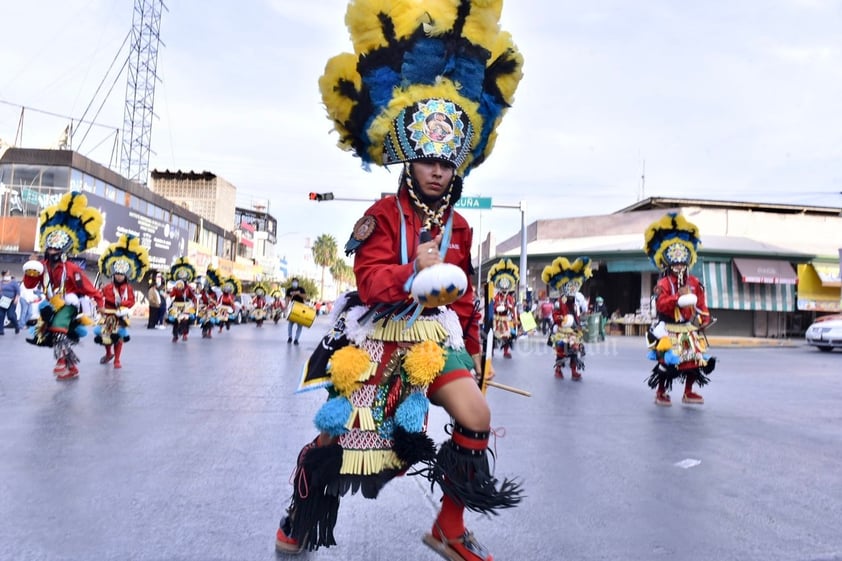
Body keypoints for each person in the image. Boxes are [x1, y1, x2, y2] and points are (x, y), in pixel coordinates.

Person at [273, 3, 524, 560]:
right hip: (375, 340)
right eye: (428, 159)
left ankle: (449, 528)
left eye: (447, 161)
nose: (438, 170)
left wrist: (475, 354)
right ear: (408, 157)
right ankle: (301, 509)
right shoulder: (381, 215)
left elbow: (463, 303)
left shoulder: (459, 225)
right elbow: (368, 280)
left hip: (435, 344)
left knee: (476, 415)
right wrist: (414, 272)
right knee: (338, 444)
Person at [23, 191, 104, 379]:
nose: (51, 251)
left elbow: (88, 288)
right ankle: (72, 367)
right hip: (50, 304)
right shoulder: (41, 266)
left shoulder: (72, 269)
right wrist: (30, 272)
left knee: (59, 328)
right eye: (49, 248)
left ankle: (61, 363)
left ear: (63, 250)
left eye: (55, 248)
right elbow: (29, 285)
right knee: (48, 335)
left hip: (69, 305)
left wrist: (100, 305)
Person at [644, 212, 716, 406]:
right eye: (675, 261)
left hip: (688, 327)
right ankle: (661, 392)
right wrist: (678, 299)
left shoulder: (695, 282)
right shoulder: (663, 283)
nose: (679, 265)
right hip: (668, 328)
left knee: (694, 360)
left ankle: (688, 391)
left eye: (682, 261)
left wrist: (703, 318)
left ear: (688, 259)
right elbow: (661, 304)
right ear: (667, 261)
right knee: (668, 361)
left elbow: (701, 305)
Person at [94, 234, 149, 369]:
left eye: (121, 274)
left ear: (126, 275)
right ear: (113, 274)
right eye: (117, 274)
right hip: (107, 315)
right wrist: (100, 307)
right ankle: (108, 354)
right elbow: (100, 297)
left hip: (121, 315)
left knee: (119, 337)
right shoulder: (107, 287)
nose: (119, 276)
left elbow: (131, 300)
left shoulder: (128, 288)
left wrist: (124, 308)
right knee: (105, 336)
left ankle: (117, 360)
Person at [542, 257, 593, 381]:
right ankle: (558, 369)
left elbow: (576, 316)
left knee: (575, 350)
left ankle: (574, 371)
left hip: (573, 330)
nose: (571, 292)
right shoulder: (559, 302)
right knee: (561, 351)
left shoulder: (575, 303)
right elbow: (555, 315)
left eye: (573, 289)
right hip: (562, 329)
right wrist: (563, 320)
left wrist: (579, 324)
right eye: (570, 289)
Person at [487, 258, 520, 359]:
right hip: (496, 318)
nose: (505, 287)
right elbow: (492, 306)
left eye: (506, 285)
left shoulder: (510, 298)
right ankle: (491, 350)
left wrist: (515, 318)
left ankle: (506, 351)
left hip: (505, 319)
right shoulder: (496, 296)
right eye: (503, 285)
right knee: (493, 335)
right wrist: (497, 307)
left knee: (507, 336)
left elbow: (513, 309)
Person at [166, 257, 197, 343]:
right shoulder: (176, 288)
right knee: (176, 319)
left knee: (185, 320)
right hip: (177, 304)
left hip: (186, 305)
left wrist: (194, 302)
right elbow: (172, 295)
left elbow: (193, 296)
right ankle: (175, 335)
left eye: (184, 278)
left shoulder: (189, 288)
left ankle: (184, 334)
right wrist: (169, 294)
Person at [285, 278, 306, 344]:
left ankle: (296, 339)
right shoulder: (289, 290)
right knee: (290, 324)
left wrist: (298, 293)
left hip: (300, 308)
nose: (294, 283)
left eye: (296, 282)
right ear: (292, 282)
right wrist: (286, 306)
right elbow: (287, 298)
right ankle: (290, 337)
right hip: (292, 308)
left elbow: (305, 297)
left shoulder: (301, 289)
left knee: (300, 325)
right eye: (293, 282)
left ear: (298, 282)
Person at [0, 269, 21, 335]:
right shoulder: (1, 283)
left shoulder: (13, 282)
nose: (8, 276)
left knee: (10, 315)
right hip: (2, 301)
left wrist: (16, 299)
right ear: (3, 275)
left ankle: (16, 326)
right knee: (1, 315)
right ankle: (1, 330)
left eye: (9, 274)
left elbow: (18, 291)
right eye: (6, 274)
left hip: (11, 301)